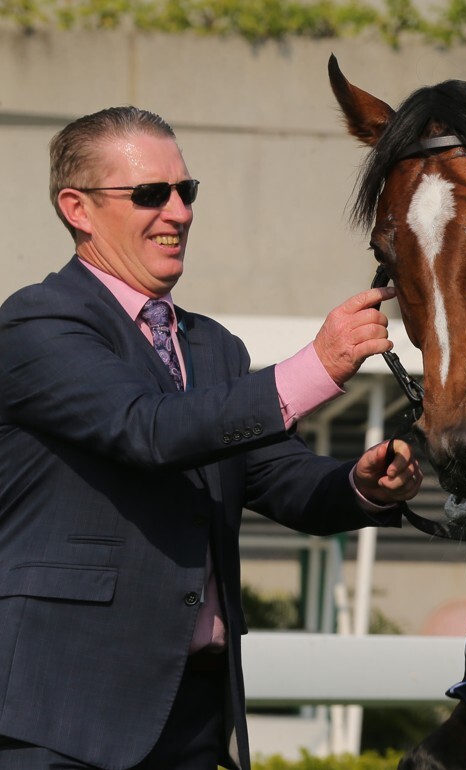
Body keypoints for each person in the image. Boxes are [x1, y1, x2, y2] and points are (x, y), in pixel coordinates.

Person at [0, 106, 425, 770]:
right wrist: (318, 367)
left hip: (196, 718)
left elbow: (279, 479)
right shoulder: (37, 323)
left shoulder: (214, 348)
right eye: (150, 194)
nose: (178, 212)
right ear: (77, 208)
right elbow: (147, 431)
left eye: (185, 191)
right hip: (63, 719)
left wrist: (360, 486)